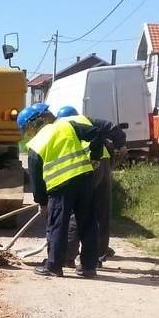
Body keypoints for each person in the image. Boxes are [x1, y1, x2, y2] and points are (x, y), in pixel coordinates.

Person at [17, 103, 121, 278]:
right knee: (87, 223)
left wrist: (42, 202)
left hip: (61, 187)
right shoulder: (67, 125)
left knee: (58, 224)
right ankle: (89, 267)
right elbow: (96, 133)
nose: (27, 134)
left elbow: (36, 180)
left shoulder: (35, 145)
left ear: (32, 125)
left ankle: (54, 266)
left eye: (26, 130)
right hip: (85, 180)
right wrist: (95, 157)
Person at [55, 105, 126, 266]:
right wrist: (120, 146)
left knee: (78, 209)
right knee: (102, 211)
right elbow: (115, 129)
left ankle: (68, 256)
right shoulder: (88, 120)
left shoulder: (65, 126)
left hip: (88, 165)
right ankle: (98, 257)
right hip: (104, 162)